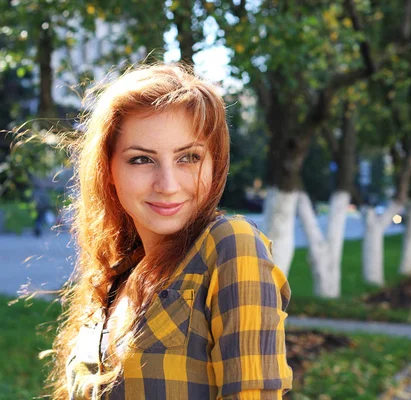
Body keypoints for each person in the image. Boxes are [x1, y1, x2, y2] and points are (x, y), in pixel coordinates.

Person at [46, 64, 293, 399]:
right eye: (141, 160)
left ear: (214, 164)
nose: (168, 185)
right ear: (108, 170)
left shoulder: (230, 246)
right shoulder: (116, 277)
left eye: (188, 157)